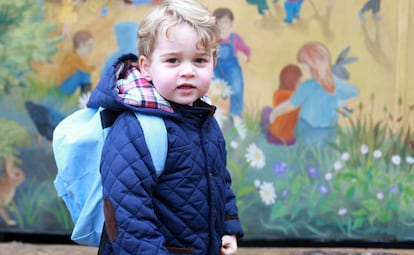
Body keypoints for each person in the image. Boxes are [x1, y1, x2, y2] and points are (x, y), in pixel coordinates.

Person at [87, 0, 243, 254]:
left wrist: (228, 226)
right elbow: (128, 215)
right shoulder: (136, 128)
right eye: (172, 60)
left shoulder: (205, 119)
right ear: (146, 66)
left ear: (213, 62)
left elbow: (219, 180)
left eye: (200, 60)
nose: (188, 71)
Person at [269, 42, 358, 146]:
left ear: (314, 64)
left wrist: (275, 112)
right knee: (323, 158)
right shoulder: (333, 83)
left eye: (305, 65)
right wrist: (334, 83)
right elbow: (353, 91)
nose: (304, 68)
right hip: (328, 130)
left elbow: (291, 104)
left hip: (308, 129)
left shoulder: (308, 86)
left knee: (306, 156)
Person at [212, 8, 250, 121]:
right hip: (217, 69)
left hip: (233, 70)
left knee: (237, 89)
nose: (222, 26)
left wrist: (245, 55)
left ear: (231, 23)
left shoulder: (235, 38)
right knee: (215, 89)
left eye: (225, 22)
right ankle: (217, 114)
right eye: (218, 23)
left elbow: (246, 49)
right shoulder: (213, 39)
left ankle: (236, 114)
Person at [262, 64, 302, 145]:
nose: (301, 84)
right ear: (294, 82)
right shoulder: (297, 99)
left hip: (271, 136)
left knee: (266, 109)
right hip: (289, 141)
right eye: (299, 82)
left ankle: (262, 127)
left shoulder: (276, 94)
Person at [56, 30, 96, 95]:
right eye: (89, 45)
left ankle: (85, 98)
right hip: (62, 88)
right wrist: (93, 66)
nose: (91, 48)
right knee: (85, 73)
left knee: (84, 72)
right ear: (81, 44)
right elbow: (85, 68)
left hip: (63, 86)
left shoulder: (73, 55)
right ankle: (85, 98)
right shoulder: (73, 57)